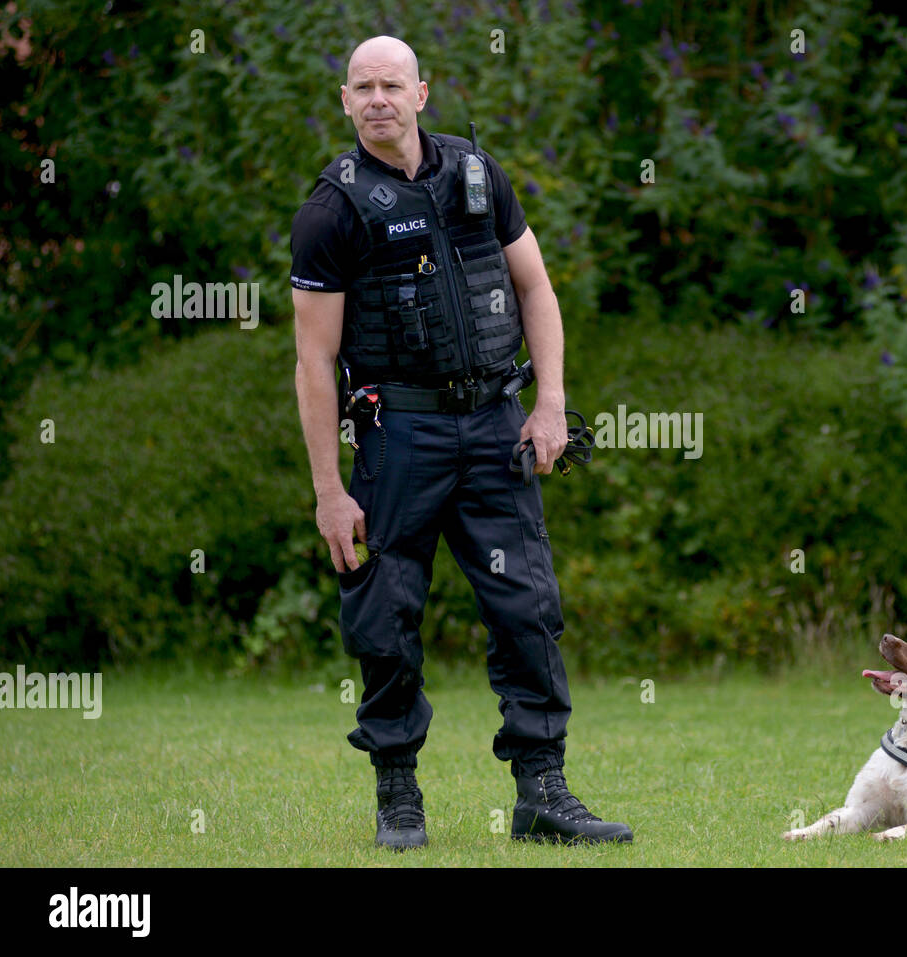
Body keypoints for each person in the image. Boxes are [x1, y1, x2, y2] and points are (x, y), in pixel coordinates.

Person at [289, 35, 631, 850]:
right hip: (397, 434)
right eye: (362, 87)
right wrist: (329, 489)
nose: (378, 99)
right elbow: (313, 358)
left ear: (421, 93)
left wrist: (550, 406)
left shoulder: (477, 177)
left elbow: (535, 287)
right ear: (345, 102)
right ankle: (398, 795)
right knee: (386, 616)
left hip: (493, 425)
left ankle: (543, 792)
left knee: (527, 610)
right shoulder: (331, 209)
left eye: (391, 85)